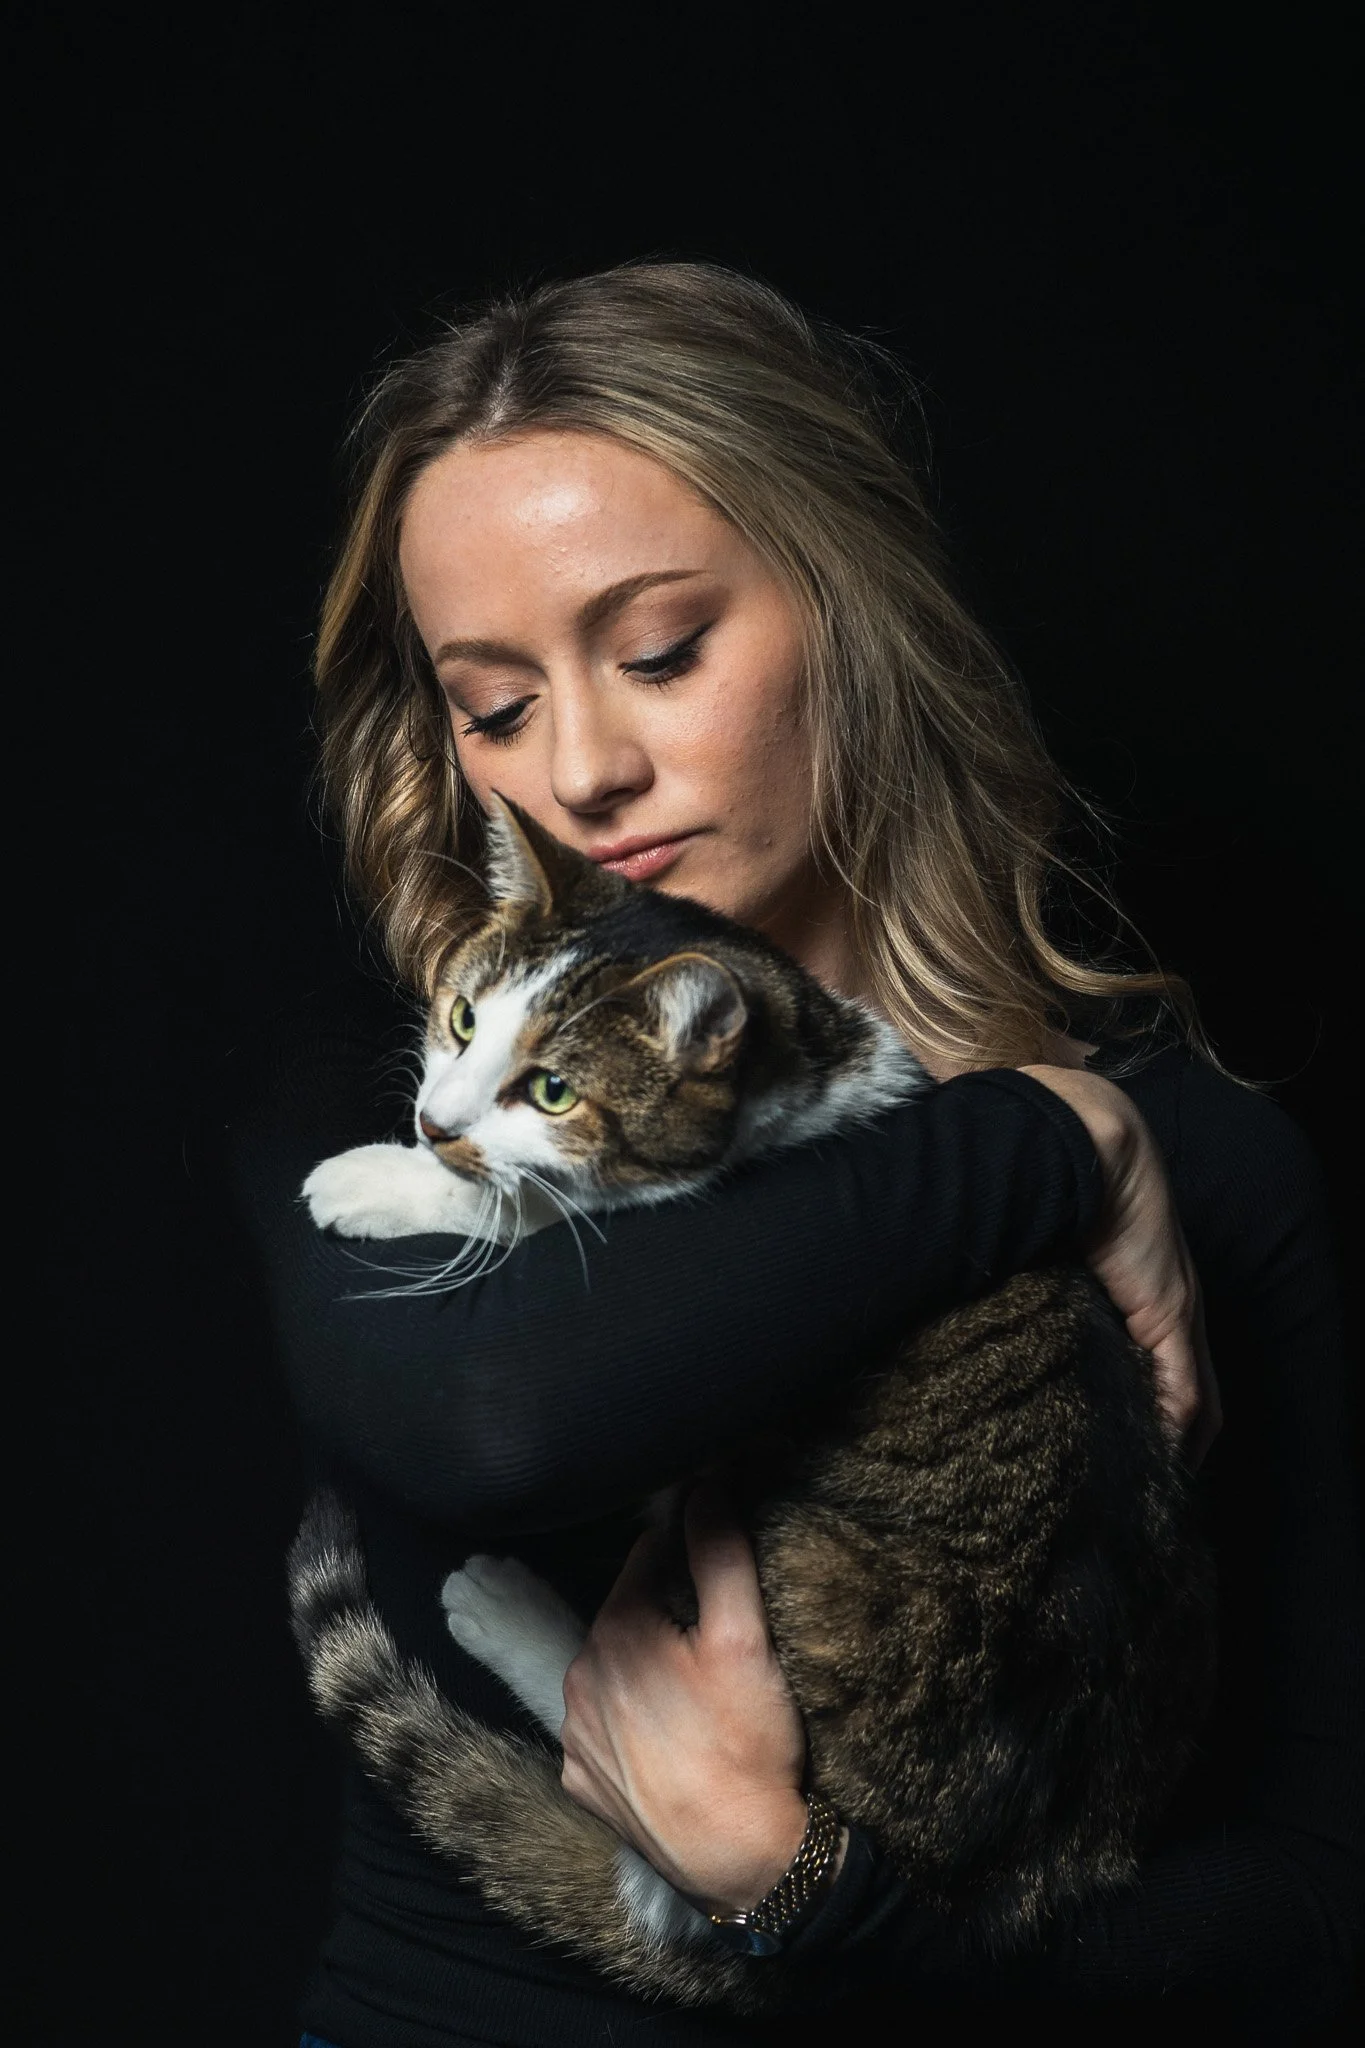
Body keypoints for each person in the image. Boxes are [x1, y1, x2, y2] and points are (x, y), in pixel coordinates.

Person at [229, 263, 1361, 2048]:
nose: (584, 770)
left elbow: (1317, 1914)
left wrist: (818, 1895)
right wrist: (1047, 1139)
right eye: (497, 704)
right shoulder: (404, 1063)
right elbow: (500, 1420)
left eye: (662, 652)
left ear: (851, 607)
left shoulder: (1214, 1158)